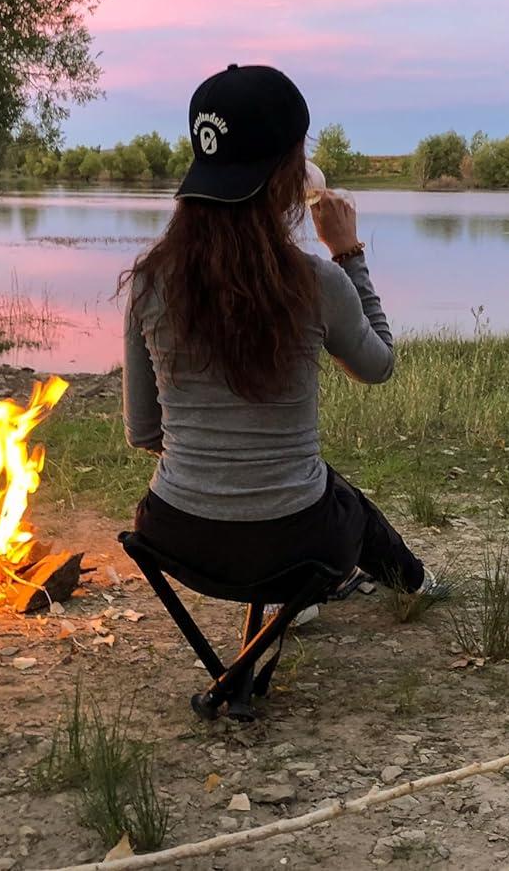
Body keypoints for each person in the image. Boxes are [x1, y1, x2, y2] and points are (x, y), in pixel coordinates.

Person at [121, 63, 432, 612]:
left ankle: (308, 598)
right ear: (292, 173)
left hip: (175, 539)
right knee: (337, 499)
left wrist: (218, 473)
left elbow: (145, 430)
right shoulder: (317, 281)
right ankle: (415, 586)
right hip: (297, 543)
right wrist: (348, 253)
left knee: (313, 488)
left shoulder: (149, 282)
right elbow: (377, 365)